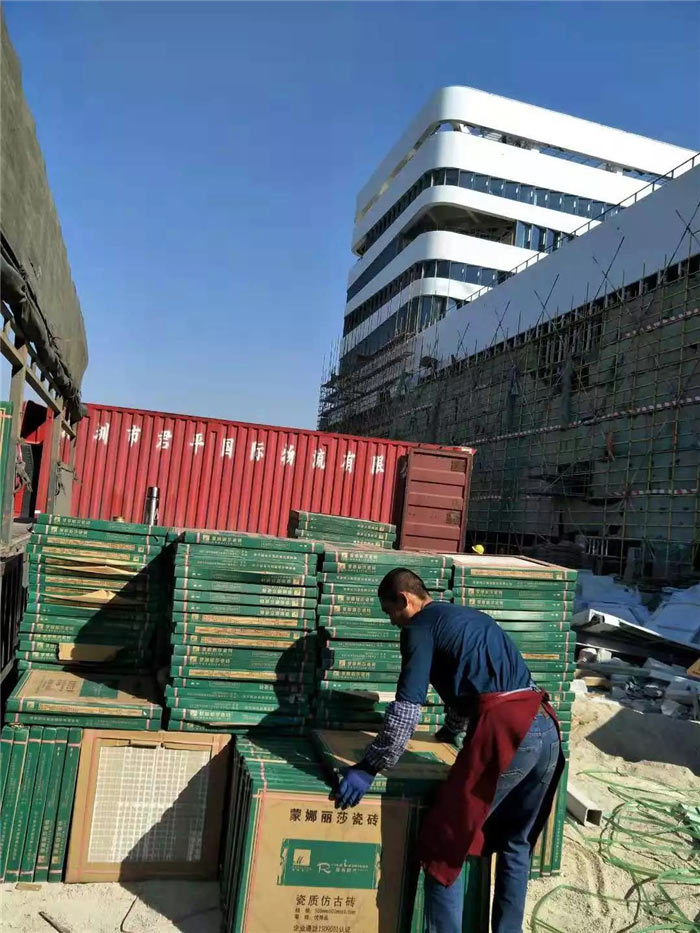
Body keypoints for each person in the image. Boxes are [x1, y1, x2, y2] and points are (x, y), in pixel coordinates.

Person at [333, 568, 564, 933]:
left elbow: (406, 710)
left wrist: (370, 765)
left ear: (405, 600)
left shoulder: (419, 628)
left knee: (444, 846)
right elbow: (469, 690)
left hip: (509, 733)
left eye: (390, 612)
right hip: (546, 728)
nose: (392, 622)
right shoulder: (463, 618)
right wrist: (449, 733)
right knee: (515, 843)